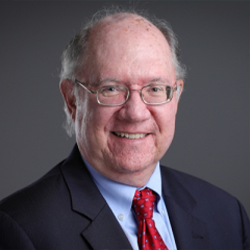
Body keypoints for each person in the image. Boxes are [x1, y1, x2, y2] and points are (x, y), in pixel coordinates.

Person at [0, 6, 249, 250]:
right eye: (111, 88)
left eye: (154, 89)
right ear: (72, 99)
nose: (135, 113)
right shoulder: (20, 230)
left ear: (176, 97)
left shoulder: (227, 214)